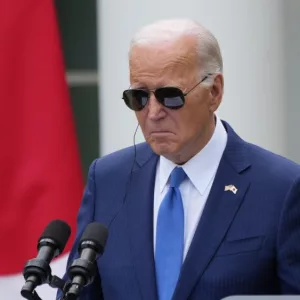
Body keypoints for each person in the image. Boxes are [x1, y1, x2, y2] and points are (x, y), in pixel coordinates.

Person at [57, 18, 300, 300]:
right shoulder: (108, 179)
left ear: (214, 92)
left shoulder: (282, 188)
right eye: (139, 97)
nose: (153, 112)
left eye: (170, 96)